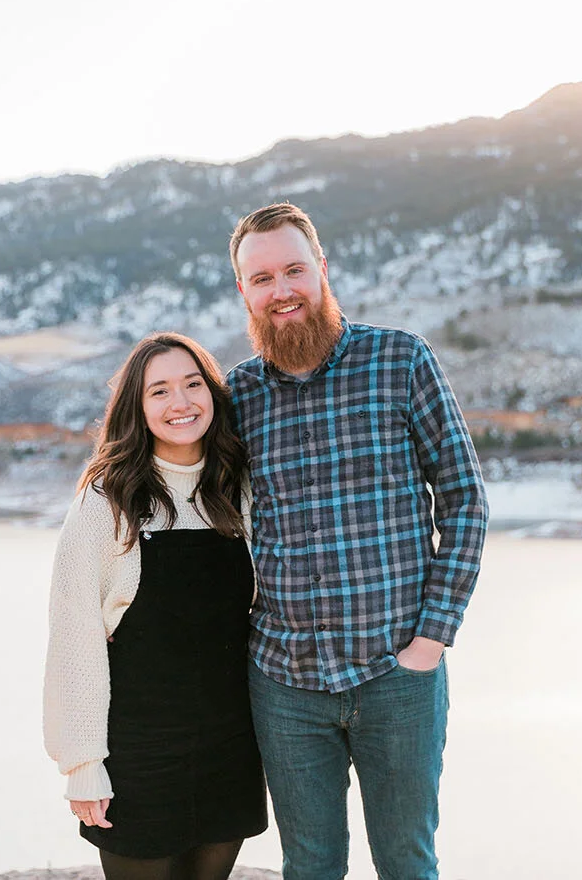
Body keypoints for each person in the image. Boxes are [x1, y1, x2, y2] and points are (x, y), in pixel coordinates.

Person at [226, 202, 489, 880]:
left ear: (321, 270)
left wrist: (429, 643)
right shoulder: (238, 395)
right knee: (309, 865)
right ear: (244, 292)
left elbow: (464, 498)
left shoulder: (400, 360)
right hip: (284, 684)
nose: (281, 290)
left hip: (396, 677)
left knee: (406, 862)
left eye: (293, 270)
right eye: (262, 279)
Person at [43, 332, 268, 880]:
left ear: (213, 395)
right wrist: (83, 767)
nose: (181, 403)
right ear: (137, 409)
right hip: (138, 757)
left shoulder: (238, 489)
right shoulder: (107, 502)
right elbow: (76, 641)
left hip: (229, 745)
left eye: (193, 385)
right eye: (159, 391)